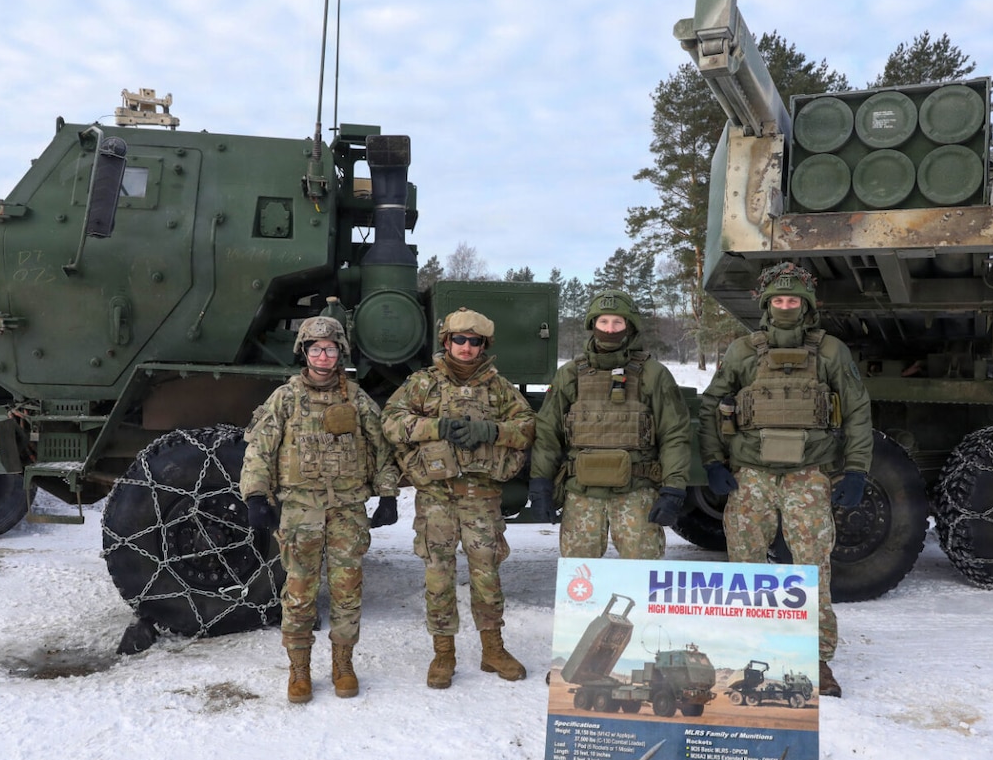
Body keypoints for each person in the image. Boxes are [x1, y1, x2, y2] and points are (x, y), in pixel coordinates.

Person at [697, 262, 872, 698]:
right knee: (745, 571)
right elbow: (711, 407)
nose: (786, 306)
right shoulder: (742, 351)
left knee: (812, 569)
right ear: (766, 304)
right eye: (778, 299)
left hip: (808, 476)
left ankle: (817, 658)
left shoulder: (830, 352)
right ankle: (749, 648)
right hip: (751, 477)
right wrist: (714, 462)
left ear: (807, 305)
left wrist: (856, 470)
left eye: (794, 300)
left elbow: (856, 411)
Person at [240, 315, 400, 704]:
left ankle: (343, 664)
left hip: (347, 508)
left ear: (340, 352)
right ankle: (299, 669)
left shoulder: (356, 399)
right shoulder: (286, 398)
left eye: (330, 349)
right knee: (298, 593)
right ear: (304, 352)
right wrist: (256, 496)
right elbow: (260, 449)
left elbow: (381, 447)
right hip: (300, 510)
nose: (323, 356)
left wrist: (388, 494)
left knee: (348, 591)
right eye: (316, 349)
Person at [382, 307, 535, 689]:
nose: (466, 347)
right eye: (459, 340)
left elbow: (527, 427)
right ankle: (443, 654)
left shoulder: (499, 388)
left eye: (475, 341)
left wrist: (490, 431)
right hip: (437, 497)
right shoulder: (423, 384)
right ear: (446, 341)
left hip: (481, 497)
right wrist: (437, 427)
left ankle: (493, 649)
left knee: (487, 576)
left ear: (484, 345)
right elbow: (391, 422)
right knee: (438, 576)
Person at [528, 289, 691, 558]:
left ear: (630, 326)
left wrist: (673, 489)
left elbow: (674, 434)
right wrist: (540, 483)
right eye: (603, 322)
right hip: (581, 495)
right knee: (580, 574)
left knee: (642, 572)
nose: (610, 329)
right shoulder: (570, 374)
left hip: (636, 494)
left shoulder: (653, 374)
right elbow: (548, 434)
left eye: (618, 322)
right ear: (593, 324)